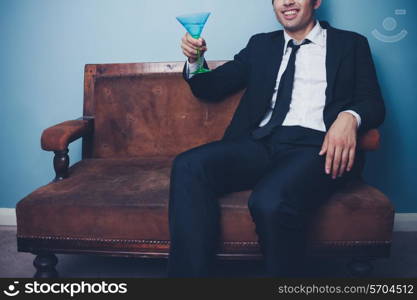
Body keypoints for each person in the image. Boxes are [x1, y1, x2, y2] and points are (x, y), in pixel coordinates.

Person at [167, 0, 385, 277]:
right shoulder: (260, 45)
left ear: (316, 2)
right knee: (188, 165)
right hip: (261, 142)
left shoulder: (351, 44)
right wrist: (195, 60)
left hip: (316, 148)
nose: (288, 1)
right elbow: (210, 88)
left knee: (269, 201)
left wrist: (349, 117)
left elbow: (373, 102)